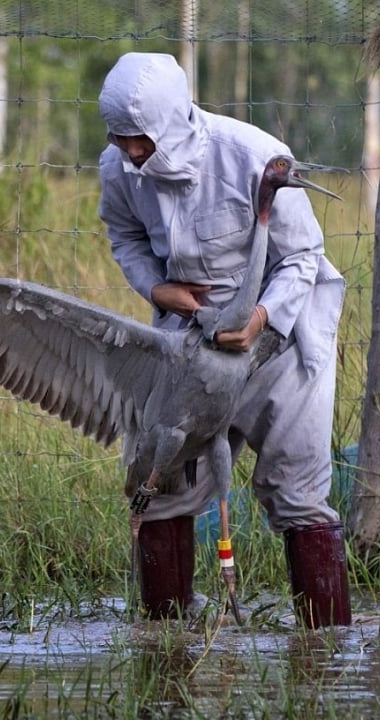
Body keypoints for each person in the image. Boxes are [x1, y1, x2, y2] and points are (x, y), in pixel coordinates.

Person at [97, 51, 351, 628]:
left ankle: (325, 650)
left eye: (140, 139)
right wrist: (157, 290)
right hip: (187, 350)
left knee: (296, 488)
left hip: (278, 340)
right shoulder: (118, 168)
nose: (131, 152)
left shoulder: (251, 157)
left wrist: (260, 318)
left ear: (171, 121)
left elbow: (303, 256)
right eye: (120, 138)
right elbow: (125, 236)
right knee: (159, 482)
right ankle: (167, 641)